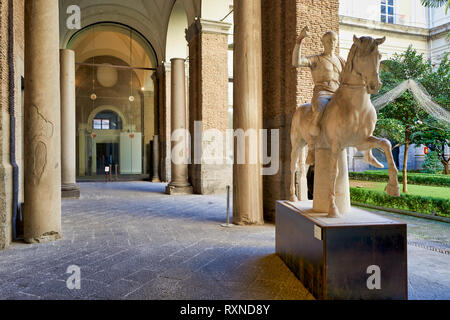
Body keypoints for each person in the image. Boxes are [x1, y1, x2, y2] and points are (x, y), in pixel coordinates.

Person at [292, 26, 346, 164]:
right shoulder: (316, 59)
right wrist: (300, 40)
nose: (332, 43)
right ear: (323, 42)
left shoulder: (341, 60)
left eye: (334, 40)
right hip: (323, 93)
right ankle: (311, 145)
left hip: (338, 94)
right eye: (329, 40)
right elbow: (296, 62)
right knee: (320, 109)